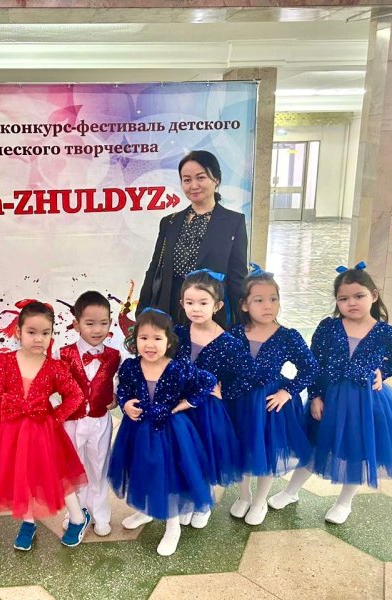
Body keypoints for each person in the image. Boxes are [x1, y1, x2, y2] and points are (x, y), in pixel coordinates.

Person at [268, 263, 392, 525]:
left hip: (365, 403)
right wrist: (315, 395)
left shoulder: (386, 333)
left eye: (358, 296)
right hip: (329, 398)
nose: (351, 303)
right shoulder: (329, 328)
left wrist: (382, 371)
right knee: (314, 445)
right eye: (343, 298)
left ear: (373, 295)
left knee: (356, 450)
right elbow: (315, 362)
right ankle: (290, 491)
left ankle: (344, 502)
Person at [108, 308, 216, 556]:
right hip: (137, 431)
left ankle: (172, 526)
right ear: (135, 340)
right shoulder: (130, 367)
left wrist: (187, 403)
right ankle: (146, 509)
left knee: (169, 476)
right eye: (144, 338)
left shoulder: (178, 368)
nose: (150, 344)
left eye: (157, 338)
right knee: (142, 470)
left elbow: (207, 381)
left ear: (168, 342)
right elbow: (124, 390)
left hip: (171, 433)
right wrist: (125, 403)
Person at [0, 301, 90, 551]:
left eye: (45, 333)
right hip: (11, 433)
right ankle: (28, 522)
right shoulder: (3, 362)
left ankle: (78, 518)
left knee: (57, 475)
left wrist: (55, 418)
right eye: (31, 332)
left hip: (43, 432)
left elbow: (76, 395)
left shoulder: (54, 367)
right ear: (18, 332)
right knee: (21, 477)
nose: (38, 339)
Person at [227, 265, 317, 525]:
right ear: (245, 305)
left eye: (273, 299)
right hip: (238, 403)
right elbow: (222, 364)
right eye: (259, 300)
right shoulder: (234, 333)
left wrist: (287, 391)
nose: (268, 306)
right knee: (242, 449)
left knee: (265, 452)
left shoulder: (288, 336)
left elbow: (310, 367)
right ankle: (244, 494)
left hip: (269, 406)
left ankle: (259, 500)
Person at [174, 269, 249, 528]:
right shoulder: (178, 334)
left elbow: (245, 375)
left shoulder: (229, 342)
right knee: (183, 453)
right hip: (180, 406)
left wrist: (224, 392)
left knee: (205, 454)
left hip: (207, 411)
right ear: (182, 303)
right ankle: (188, 498)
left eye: (203, 303)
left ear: (217, 306)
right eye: (190, 302)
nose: (196, 309)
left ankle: (203, 502)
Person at [139, 150, 248, 327]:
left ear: (216, 179)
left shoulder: (233, 222)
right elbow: (154, 269)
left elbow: (237, 275)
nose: (193, 185)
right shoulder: (170, 222)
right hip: (171, 308)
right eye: (187, 180)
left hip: (210, 312)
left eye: (201, 177)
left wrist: (243, 321)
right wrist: (142, 311)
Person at [57, 291, 121, 537]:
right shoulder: (62, 353)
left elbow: (121, 384)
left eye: (103, 323)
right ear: (77, 325)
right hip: (72, 422)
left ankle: (101, 514)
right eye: (90, 323)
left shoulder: (116, 356)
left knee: (99, 466)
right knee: (75, 468)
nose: (97, 329)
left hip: (100, 421)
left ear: (110, 323)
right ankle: (76, 512)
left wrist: (116, 398)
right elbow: (52, 386)